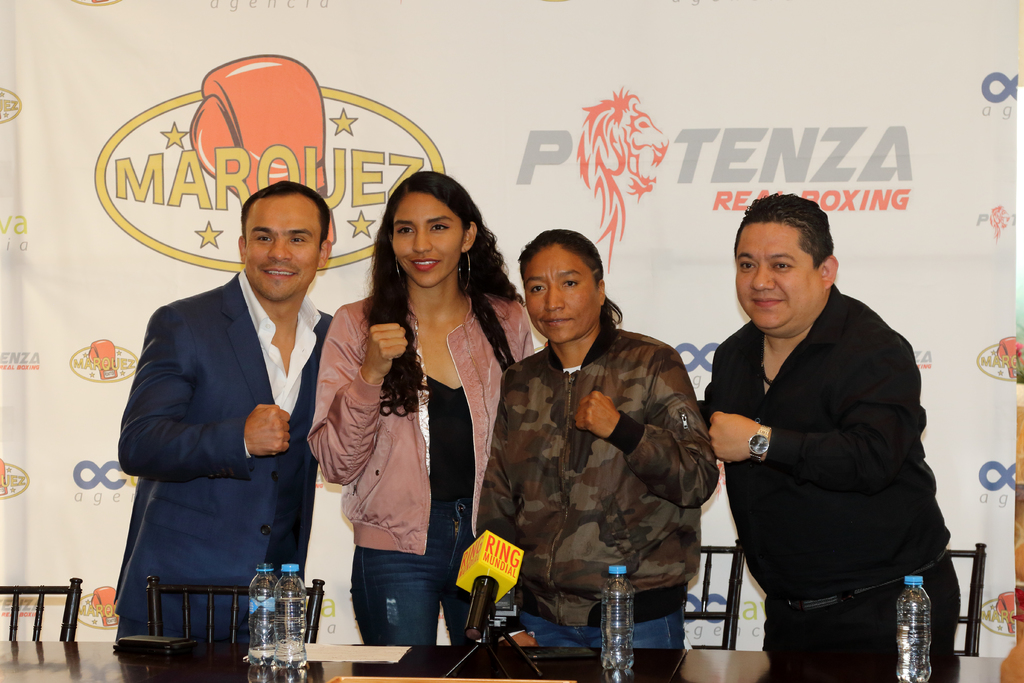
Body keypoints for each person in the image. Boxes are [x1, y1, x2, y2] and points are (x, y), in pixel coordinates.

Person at [703, 193, 958, 653]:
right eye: (746, 265)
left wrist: (761, 441)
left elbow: (872, 458)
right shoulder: (733, 356)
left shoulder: (873, 349)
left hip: (886, 608)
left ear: (826, 271)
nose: (760, 281)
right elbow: (709, 434)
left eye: (781, 265)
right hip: (790, 612)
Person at [308, 171, 533, 646]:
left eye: (439, 227)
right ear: (391, 240)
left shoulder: (507, 319)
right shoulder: (356, 324)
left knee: (492, 675)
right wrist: (370, 374)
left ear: (467, 236)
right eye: (405, 229)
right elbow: (337, 464)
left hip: (490, 539)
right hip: (395, 548)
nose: (421, 245)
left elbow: (525, 443)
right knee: (406, 677)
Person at [478, 229, 719, 648]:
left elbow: (698, 477)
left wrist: (625, 430)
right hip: (539, 620)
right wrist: (503, 619)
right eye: (537, 288)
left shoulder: (652, 364)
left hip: (635, 615)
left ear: (600, 289)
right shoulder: (520, 381)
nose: (552, 302)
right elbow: (497, 503)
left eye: (569, 283)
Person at [114, 181, 333, 640]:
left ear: (323, 250)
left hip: (276, 602)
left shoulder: (335, 338)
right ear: (242, 246)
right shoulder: (185, 323)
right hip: (176, 594)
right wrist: (238, 439)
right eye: (263, 236)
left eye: (297, 238)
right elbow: (138, 444)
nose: (279, 252)